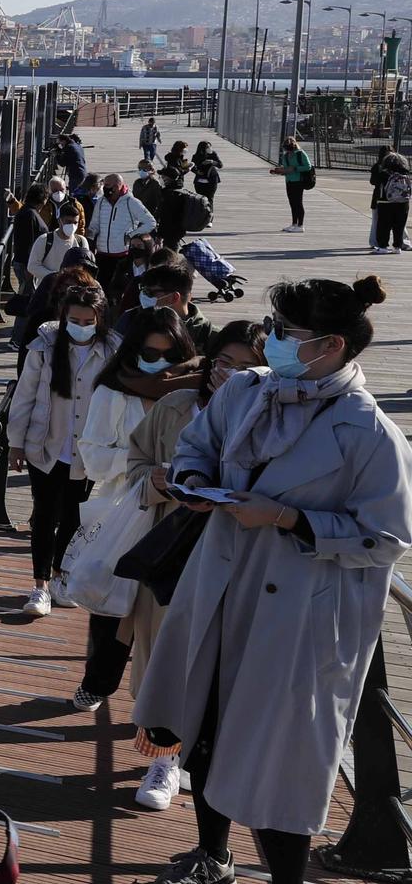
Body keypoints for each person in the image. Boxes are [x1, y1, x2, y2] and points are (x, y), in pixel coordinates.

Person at [135, 277, 412, 884]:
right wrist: (191, 481)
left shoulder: (370, 434)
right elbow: (196, 444)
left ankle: (285, 878)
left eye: (285, 334)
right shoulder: (248, 390)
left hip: (298, 616)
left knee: (279, 763)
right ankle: (213, 855)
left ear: (330, 345)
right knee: (204, 730)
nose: (272, 343)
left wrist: (289, 518)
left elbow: (388, 537)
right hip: (222, 587)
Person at [121, 320, 266, 813]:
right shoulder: (175, 407)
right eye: (224, 362)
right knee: (161, 650)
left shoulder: (273, 419)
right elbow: (134, 462)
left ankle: (199, 757)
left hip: (241, 556)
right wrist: (159, 482)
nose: (231, 375)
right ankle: (161, 759)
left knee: (219, 659)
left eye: (247, 366)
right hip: (172, 547)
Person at [69, 307, 198, 714]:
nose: (158, 362)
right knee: (112, 603)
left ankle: (159, 705)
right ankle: (98, 681)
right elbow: (91, 458)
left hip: (179, 519)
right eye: (149, 351)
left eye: (169, 354)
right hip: (124, 511)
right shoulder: (111, 391)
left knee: (165, 612)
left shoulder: (198, 396)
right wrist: (145, 465)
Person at [8, 284, 117, 617]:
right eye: (74, 319)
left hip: (86, 449)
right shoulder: (44, 345)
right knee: (43, 514)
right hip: (46, 444)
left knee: (74, 515)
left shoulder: (112, 349)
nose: (81, 325)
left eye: (88, 320)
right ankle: (39, 586)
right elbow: (25, 394)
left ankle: (60, 576)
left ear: (99, 319)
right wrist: (15, 441)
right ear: (64, 316)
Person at [115, 261, 214, 354]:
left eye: (150, 293)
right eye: (143, 290)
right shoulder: (129, 319)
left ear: (174, 297)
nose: (144, 296)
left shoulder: (207, 333)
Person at [88, 172, 158, 297]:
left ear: (117, 186)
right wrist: (89, 239)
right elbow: (94, 225)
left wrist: (131, 235)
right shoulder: (101, 202)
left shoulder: (131, 202)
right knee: (100, 290)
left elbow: (151, 222)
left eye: (108, 185)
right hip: (102, 254)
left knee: (118, 292)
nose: (105, 188)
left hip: (122, 256)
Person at [26, 201, 89, 286]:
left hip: (71, 292)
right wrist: (56, 277)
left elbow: (86, 268)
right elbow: (32, 266)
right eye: (68, 222)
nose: (72, 225)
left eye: (75, 223)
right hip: (47, 290)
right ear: (60, 221)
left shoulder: (81, 242)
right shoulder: (44, 240)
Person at [367, 146, 410, 254]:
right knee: (399, 225)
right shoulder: (404, 173)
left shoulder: (383, 173)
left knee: (384, 225)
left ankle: (383, 246)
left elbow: (374, 181)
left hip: (385, 201)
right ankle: (397, 246)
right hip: (403, 201)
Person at [9, 185, 51, 291]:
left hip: (24, 262)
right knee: (28, 295)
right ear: (42, 199)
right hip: (26, 265)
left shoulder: (26, 211)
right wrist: (30, 268)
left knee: (27, 293)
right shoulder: (30, 215)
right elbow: (29, 242)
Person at [270, 135, 313, 232]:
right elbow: (286, 168)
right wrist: (279, 171)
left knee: (298, 203)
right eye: (286, 149)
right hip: (289, 181)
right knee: (292, 203)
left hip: (298, 181)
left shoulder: (300, 154)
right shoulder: (285, 156)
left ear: (294, 146)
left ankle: (301, 225)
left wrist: (295, 168)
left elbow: (308, 167)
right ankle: (294, 224)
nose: (288, 151)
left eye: (289, 149)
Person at [192, 145, 223, 214]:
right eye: (207, 147)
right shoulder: (196, 156)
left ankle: (209, 218)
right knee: (200, 199)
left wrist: (212, 162)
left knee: (210, 199)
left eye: (210, 146)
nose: (209, 148)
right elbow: (193, 167)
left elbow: (220, 165)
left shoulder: (213, 154)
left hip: (212, 180)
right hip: (200, 181)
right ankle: (201, 217)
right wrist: (197, 171)